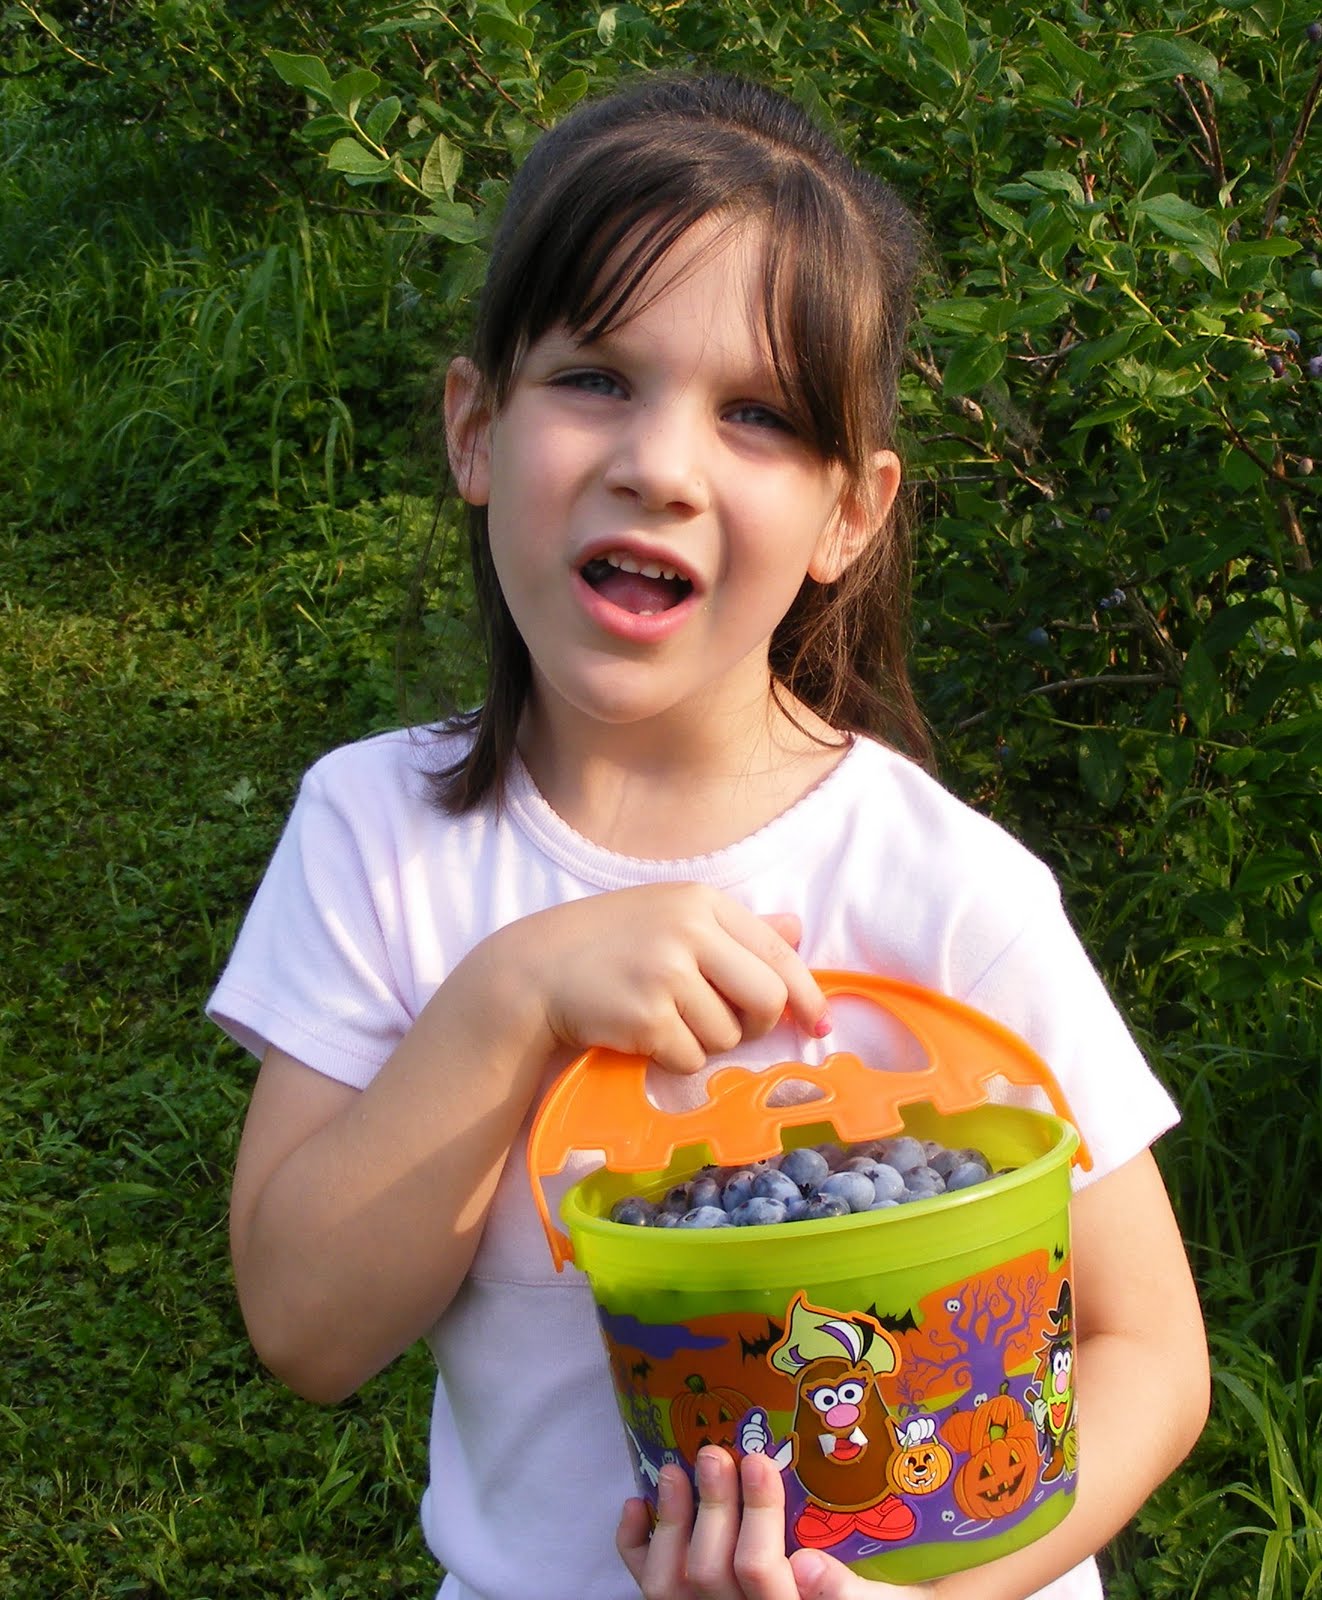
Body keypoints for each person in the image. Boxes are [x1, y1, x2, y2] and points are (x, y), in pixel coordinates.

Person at [209, 72, 1208, 1600]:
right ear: (475, 429)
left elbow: (1146, 1348)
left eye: (755, 415)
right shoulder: (383, 835)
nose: (660, 464)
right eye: (597, 378)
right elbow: (305, 1327)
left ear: (844, 519)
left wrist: (927, 1595)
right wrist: (510, 1001)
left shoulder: (943, 891)